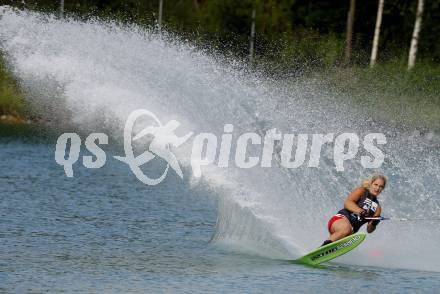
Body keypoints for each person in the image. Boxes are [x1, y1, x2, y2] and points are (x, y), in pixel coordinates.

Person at [321, 174, 386, 246]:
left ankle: (325, 250)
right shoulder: (361, 191)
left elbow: (369, 230)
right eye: (376, 185)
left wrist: (374, 223)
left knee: (349, 231)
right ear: (371, 184)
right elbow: (347, 203)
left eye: (381, 187)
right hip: (340, 220)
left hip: (350, 232)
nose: (377, 188)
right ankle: (322, 248)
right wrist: (360, 211)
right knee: (346, 229)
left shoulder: (378, 208)